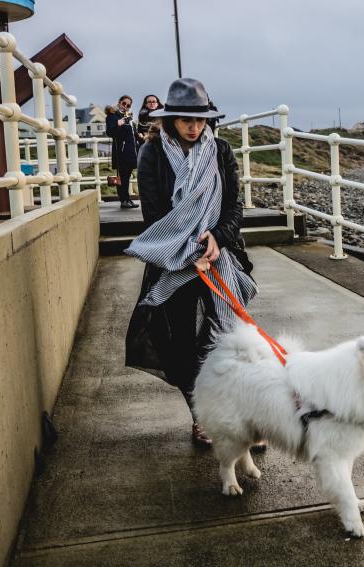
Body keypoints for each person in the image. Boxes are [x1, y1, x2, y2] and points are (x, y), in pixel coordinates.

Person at [124, 78, 256, 447]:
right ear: (170, 119)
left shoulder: (221, 151)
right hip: (173, 258)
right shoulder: (151, 155)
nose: (194, 127)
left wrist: (218, 236)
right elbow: (154, 215)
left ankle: (240, 414)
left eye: (200, 120)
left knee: (229, 336)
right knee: (179, 339)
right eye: (186, 120)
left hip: (220, 255)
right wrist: (188, 248)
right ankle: (202, 417)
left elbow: (234, 206)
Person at [105, 94, 139, 208]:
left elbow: (132, 134)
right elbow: (110, 131)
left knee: (127, 177)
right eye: (124, 103)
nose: (126, 106)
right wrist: (118, 123)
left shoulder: (128, 117)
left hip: (130, 151)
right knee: (122, 177)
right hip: (121, 152)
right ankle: (124, 200)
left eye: (128, 105)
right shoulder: (113, 115)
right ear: (119, 102)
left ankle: (127, 199)